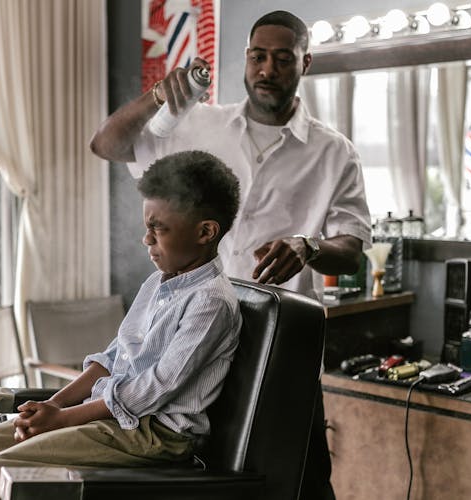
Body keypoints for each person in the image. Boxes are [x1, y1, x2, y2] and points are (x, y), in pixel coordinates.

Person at [90, 10, 371, 499]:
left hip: (277, 346)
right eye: (258, 57)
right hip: (189, 335)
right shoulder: (198, 124)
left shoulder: (334, 152)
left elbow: (352, 249)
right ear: (246, 59)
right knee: (203, 479)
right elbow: (107, 144)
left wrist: (308, 247)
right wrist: (159, 95)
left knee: (301, 483)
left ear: (305, 63)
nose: (268, 69)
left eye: (283, 59)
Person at [0, 150, 242, 499]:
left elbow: (155, 387)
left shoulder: (211, 302)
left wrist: (63, 420)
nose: (146, 239)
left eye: (158, 228)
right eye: (146, 227)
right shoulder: (157, 283)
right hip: (112, 419)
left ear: (205, 232)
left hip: (153, 436)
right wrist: (54, 407)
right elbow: (112, 359)